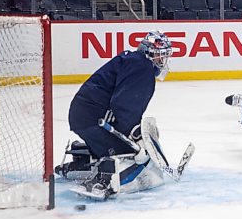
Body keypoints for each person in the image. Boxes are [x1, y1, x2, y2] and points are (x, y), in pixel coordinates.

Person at [62, 30, 173, 200]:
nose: (162, 61)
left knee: (128, 148)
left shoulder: (134, 61)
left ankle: (83, 162)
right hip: (93, 118)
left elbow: (122, 104)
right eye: (160, 56)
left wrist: (133, 129)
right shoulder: (142, 67)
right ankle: (101, 181)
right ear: (150, 54)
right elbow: (124, 106)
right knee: (131, 155)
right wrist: (134, 133)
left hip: (85, 115)